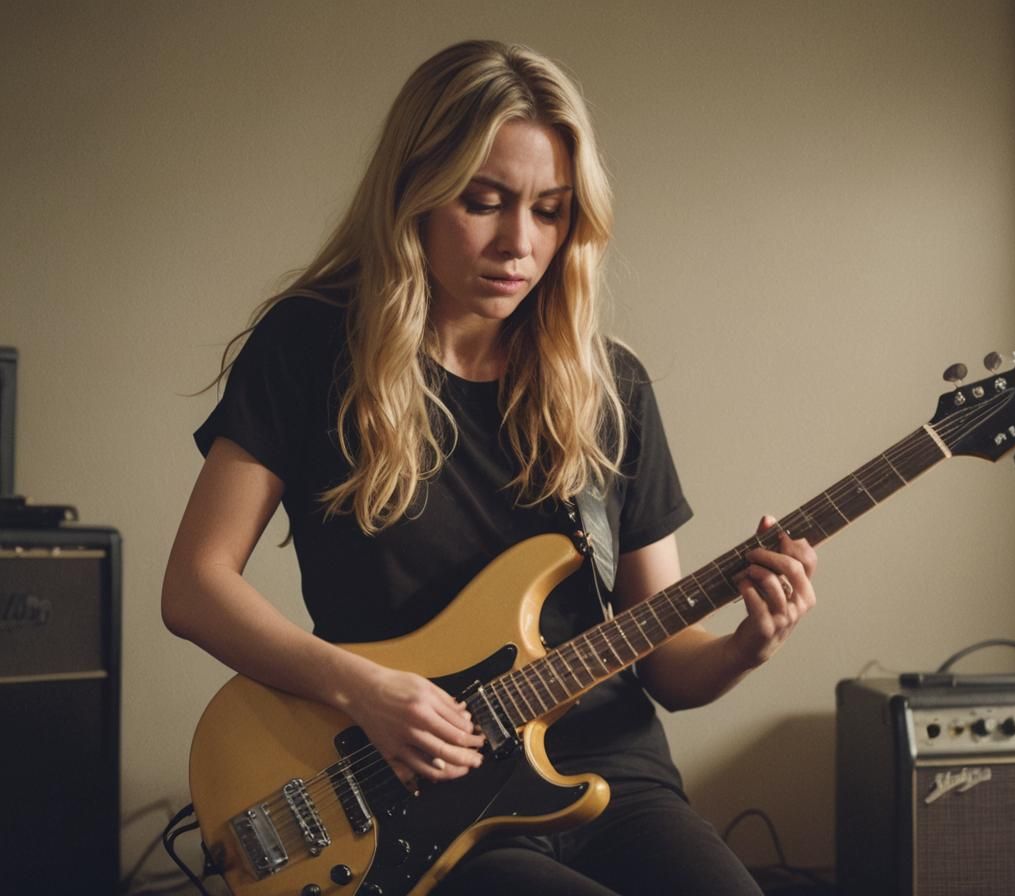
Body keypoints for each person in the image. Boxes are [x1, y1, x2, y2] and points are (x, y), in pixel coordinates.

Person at [162, 39, 817, 895]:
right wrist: (365, 691)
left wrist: (746, 645)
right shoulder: (309, 348)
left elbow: (662, 657)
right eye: (484, 202)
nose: (519, 242)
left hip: (612, 780)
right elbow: (195, 586)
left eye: (550, 210)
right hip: (418, 795)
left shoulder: (609, 385)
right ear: (415, 196)